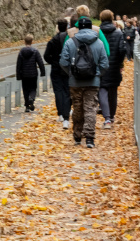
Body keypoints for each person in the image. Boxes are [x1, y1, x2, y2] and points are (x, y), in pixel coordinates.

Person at [59, 16, 109, 148]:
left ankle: (77, 136)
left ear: (78, 28)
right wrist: (97, 74)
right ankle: (89, 138)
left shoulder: (70, 42)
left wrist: (71, 73)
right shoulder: (99, 43)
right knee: (90, 108)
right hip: (93, 82)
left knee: (77, 108)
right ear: (91, 27)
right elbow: (105, 63)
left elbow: (63, 62)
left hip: (75, 82)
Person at [98, 10, 125, 128]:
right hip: (114, 67)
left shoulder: (97, 33)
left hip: (100, 66)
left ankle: (107, 118)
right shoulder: (118, 33)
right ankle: (112, 116)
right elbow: (122, 50)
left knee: (102, 90)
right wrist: (119, 63)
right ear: (112, 18)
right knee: (113, 92)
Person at [43, 18, 71, 128]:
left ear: (58, 27)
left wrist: (53, 62)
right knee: (67, 91)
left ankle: (60, 113)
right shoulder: (69, 39)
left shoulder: (53, 40)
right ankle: (66, 113)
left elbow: (46, 56)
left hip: (56, 68)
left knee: (58, 91)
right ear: (66, 26)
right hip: (67, 68)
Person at [16, 34, 46, 112]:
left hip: (24, 75)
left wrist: (18, 75)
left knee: (25, 89)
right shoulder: (35, 51)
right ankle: (31, 98)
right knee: (33, 88)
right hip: (33, 74)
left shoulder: (21, 52)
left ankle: (27, 106)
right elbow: (40, 62)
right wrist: (43, 72)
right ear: (32, 42)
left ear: (24, 42)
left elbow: (18, 64)